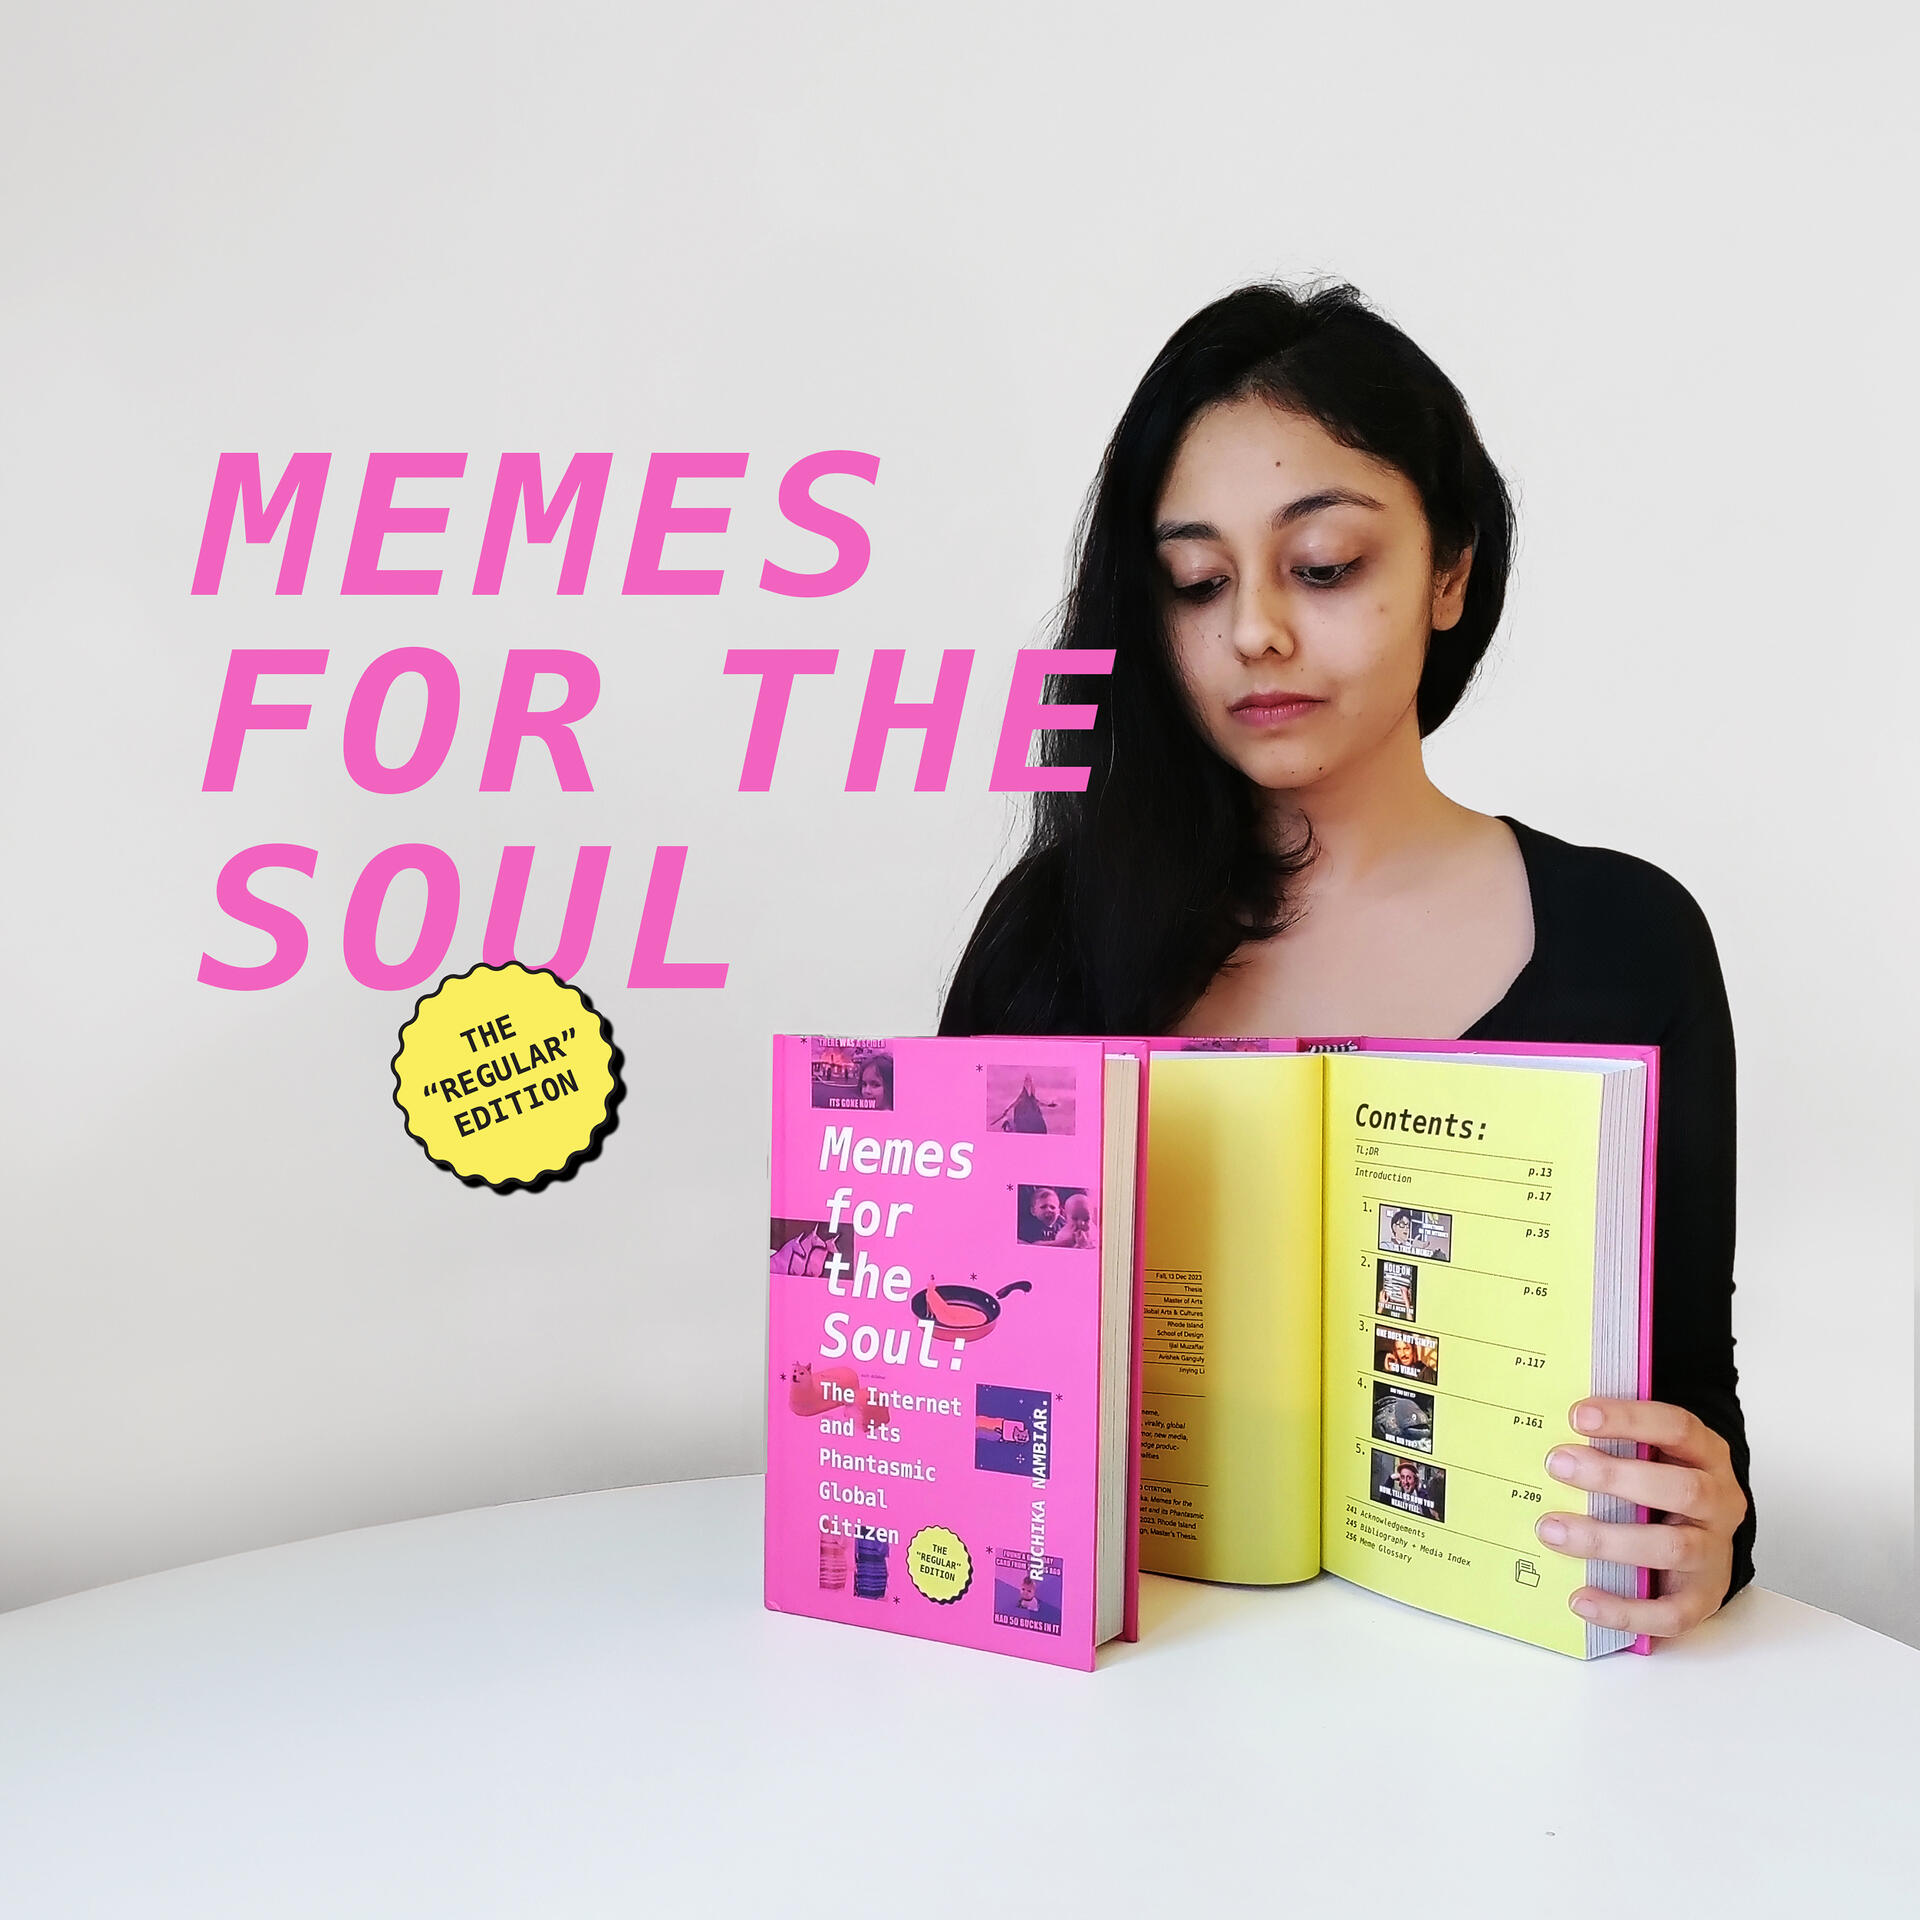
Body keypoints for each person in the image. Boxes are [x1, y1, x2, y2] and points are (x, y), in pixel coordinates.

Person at [941, 283, 1752, 1642]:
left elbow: (1689, 1426)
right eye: (1196, 582)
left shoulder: (1631, 940)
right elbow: (959, 1374)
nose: (1255, 628)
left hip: (1514, 1733)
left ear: (1450, 571)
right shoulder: (1055, 935)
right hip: (1123, 1713)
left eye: (1321, 566)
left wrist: (1704, 1538)